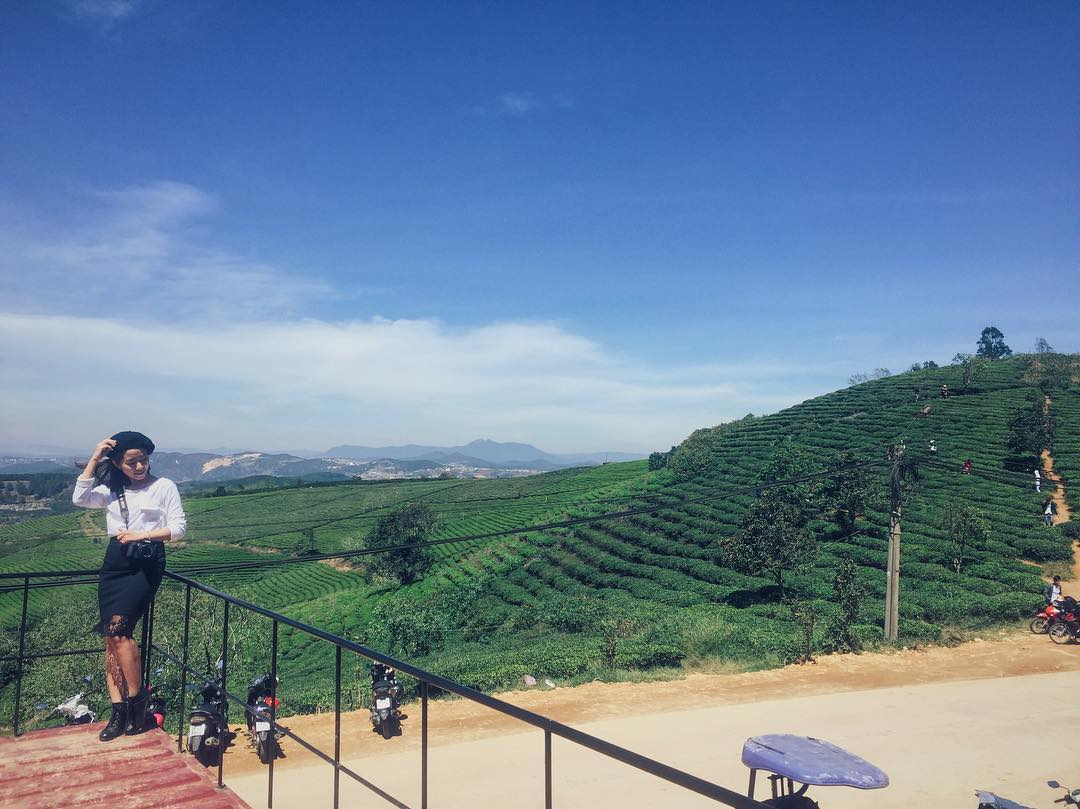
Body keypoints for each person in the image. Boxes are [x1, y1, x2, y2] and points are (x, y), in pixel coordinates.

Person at [72, 431, 186, 742]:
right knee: (111, 639)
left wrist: (141, 534)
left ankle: (137, 702)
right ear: (118, 464)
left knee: (120, 630)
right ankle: (118, 711)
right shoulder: (111, 490)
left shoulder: (164, 486)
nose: (139, 466)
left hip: (145, 562)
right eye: (131, 462)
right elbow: (79, 498)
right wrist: (95, 456)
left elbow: (179, 527)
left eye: (143, 460)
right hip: (115, 563)